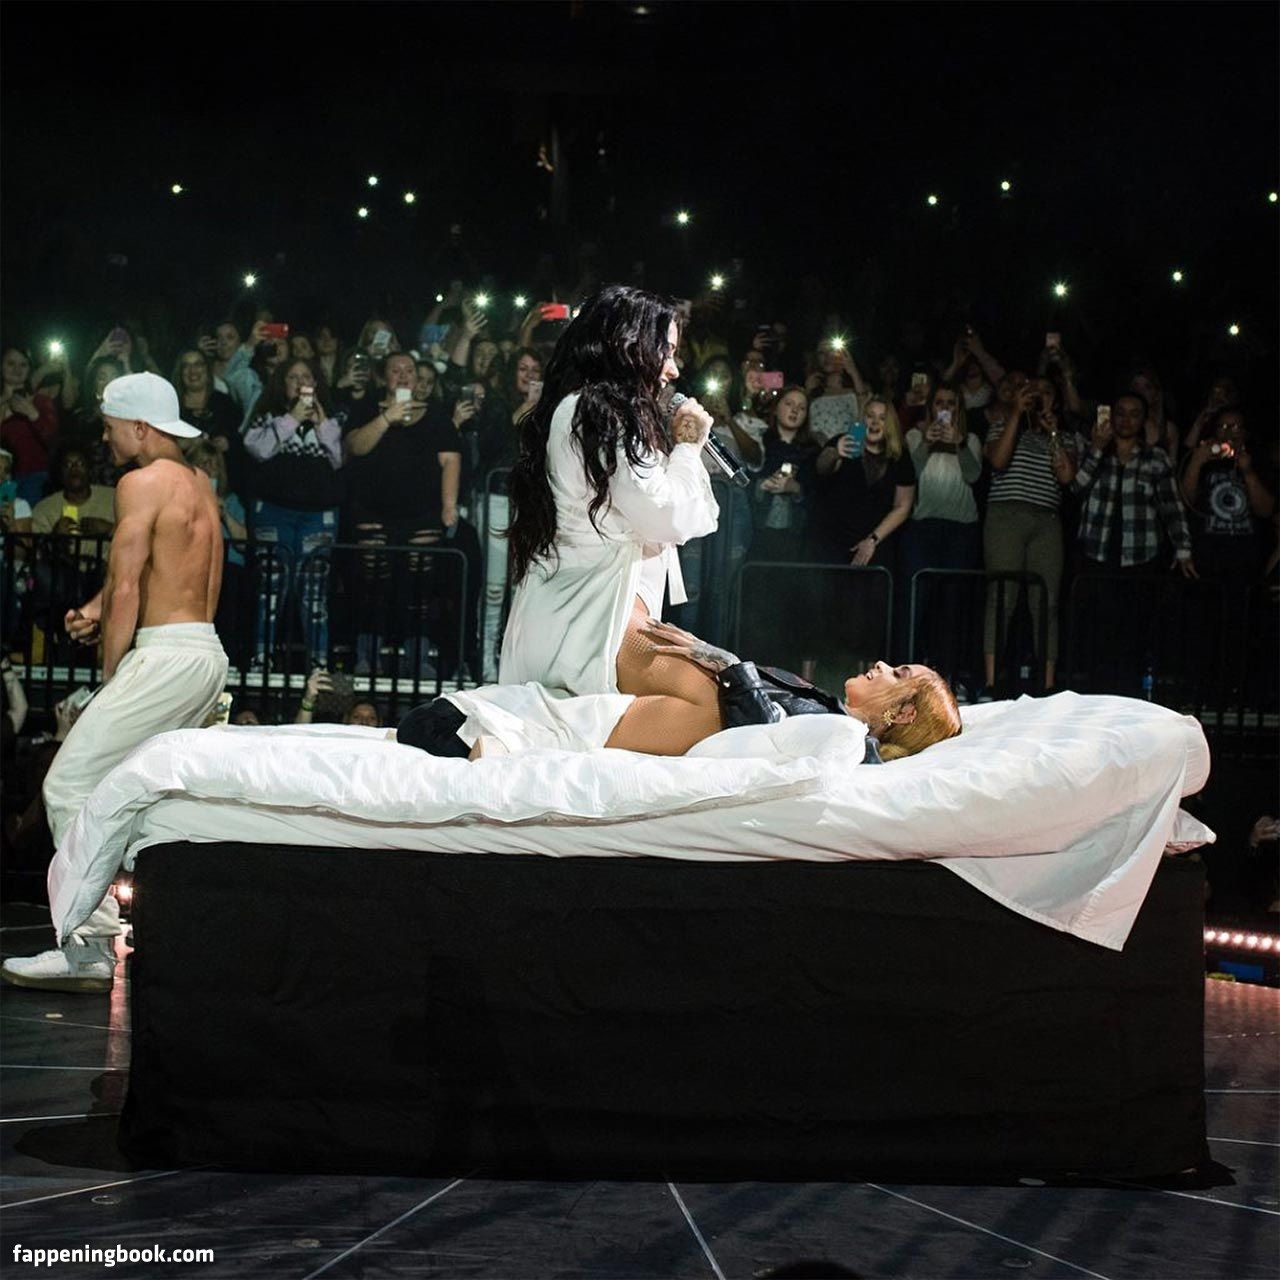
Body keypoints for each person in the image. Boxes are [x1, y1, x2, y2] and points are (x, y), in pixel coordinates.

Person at [2, 372, 227, 993]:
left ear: (140, 427)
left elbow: (129, 585)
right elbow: (162, 571)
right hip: (204, 652)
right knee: (157, 801)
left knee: (67, 785)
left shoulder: (138, 483)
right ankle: (185, 931)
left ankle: (90, 947)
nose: (104, 439)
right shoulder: (200, 484)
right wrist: (96, 608)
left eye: (109, 427)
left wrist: (110, 677)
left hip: (163, 658)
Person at [501, 284, 720, 748]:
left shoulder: (581, 409)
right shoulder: (600, 413)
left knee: (712, 691)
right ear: (632, 346)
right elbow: (666, 515)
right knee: (712, 703)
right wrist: (687, 449)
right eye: (667, 351)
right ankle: (551, 740)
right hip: (593, 616)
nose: (674, 369)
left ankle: (554, 736)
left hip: (573, 610)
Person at [398, 618, 961, 763]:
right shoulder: (829, 712)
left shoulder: (850, 743)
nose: (883, 665)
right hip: (678, 710)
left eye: (899, 674)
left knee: (438, 726)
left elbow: (762, 736)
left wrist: (728, 666)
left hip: (686, 721)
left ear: (904, 714)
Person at [242, 357, 345, 670]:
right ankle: (261, 659)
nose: (301, 383)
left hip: (318, 514)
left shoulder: (333, 416)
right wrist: (291, 419)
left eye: (307, 377)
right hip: (273, 512)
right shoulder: (266, 414)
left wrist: (321, 423)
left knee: (314, 591)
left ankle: (318, 663)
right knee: (271, 588)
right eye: (293, 377)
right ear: (281, 383)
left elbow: (340, 458)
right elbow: (257, 449)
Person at [982, 376, 1079, 692]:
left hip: (1047, 520)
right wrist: (1015, 412)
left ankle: (1047, 685)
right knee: (1002, 597)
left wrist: (1053, 432)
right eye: (1033, 391)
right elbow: (998, 460)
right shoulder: (1002, 425)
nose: (1039, 396)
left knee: (1047, 601)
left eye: (1046, 391)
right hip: (1006, 515)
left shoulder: (1063, 436)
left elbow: (1066, 476)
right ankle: (991, 682)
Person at [1, 346, 59, 505]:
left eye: (23, 364)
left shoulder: (40, 401)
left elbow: (52, 437)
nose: (17, 369)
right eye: (11, 363)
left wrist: (33, 414)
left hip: (34, 477)